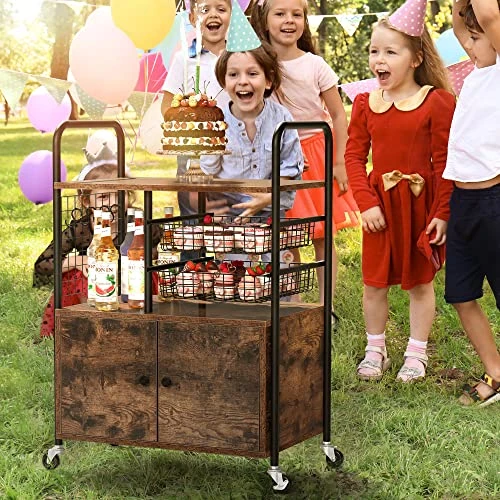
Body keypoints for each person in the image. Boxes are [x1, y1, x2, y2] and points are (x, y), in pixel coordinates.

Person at [344, 10, 456, 382]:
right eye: (374, 51)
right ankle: (375, 350)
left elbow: (445, 163)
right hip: (380, 206)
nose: (379, 59)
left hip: (420, 205)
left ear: (416, 59)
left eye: (391, 52)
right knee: (374, 282)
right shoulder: (366, 104)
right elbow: (354, 157)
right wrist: (366, 203)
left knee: (420, 282)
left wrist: (441, 212)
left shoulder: (436, 102)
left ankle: (416, 353)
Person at [250, 0, 360, 312]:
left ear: (304, 21)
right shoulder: (260, 63)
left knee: (322, 235)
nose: (289, 20)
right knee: (286, 233)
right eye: (280, 14)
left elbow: (338, 115)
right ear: (265, 19)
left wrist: (339, 161)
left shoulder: (315, 65)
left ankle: (327, 306)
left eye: (296, 14)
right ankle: (292, 304)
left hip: (316, 153)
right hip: (280, 157)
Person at [33, 151, 159, 338]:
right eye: (103, 197)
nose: (113, 203)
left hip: (131, 289)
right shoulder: (81, 229)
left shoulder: (136, 222)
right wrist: (77, 260)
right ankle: (88, 327)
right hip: (95, 289)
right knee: (77, 275)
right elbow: (43, 264)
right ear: (86, 201)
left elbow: (161, 245)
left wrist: (146, 254)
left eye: (120, 195)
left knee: (145, 273)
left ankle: (138, 326)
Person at [442, 0, 500, 406]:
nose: (468, 44)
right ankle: (496, 372)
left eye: (477, 38)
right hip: (462, 201)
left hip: (494, 202)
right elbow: (459, 23)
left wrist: (484, 18)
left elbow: (490, 16)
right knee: (461, 294)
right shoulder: (478, 73)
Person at [199, 42, 304, 218]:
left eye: (252, 73)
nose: (243, 81)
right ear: (224, 82)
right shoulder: (216, 121)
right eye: (233, 74)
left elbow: (290, 168)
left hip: (271, 208)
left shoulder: (281, 118)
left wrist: (268, 198)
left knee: (276, 235)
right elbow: (208, 170)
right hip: (227, 210)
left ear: (268, 80)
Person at [161, 0, 232, 227]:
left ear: (231, 16)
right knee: (194, 221)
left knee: (230, 217)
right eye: (205, 9)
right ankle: (193, 248)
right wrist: (186, 113)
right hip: (193, 153)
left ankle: (230, 250)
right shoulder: (185, 59)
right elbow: (167, 107)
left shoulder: (239, 58)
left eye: (221, 9)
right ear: (192, 18)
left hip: (234, 151)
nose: (214, 14)